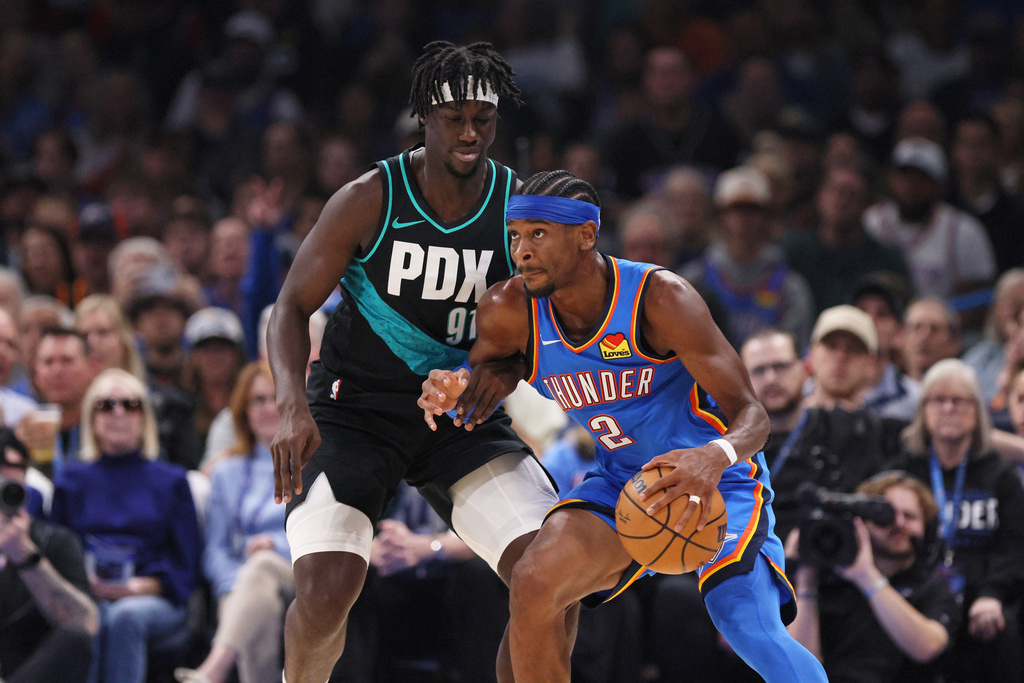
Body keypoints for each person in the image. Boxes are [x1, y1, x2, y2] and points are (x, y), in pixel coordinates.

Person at [418, 170, 827, 682]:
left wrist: (713, 457)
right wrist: (456, 386)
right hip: (624, 483)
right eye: (516, 234)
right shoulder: (509, 308)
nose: (522, 251)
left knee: (748, 627)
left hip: (717, 479)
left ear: (586, 235)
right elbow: (494, 372)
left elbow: (754, 416)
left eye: (539, 234)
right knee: (535, 581)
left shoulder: (659, 298)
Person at [266, 42, 559, 683]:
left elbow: (547, 335)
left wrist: (500, 374)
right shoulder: (370, 196)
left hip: (459, 419)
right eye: (454, 116)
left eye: (482, 117)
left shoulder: (519, 210)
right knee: (324, 591)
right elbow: (288, 307)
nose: (470, 131)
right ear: (423, 116)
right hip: (353, 414)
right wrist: (290, 407)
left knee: (551, 575)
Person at [50, 368, 202, 683]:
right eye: (106, 405)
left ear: (144, 417)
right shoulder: (70, 481)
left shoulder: (172, 481)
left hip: (155, 598)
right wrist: (85, 586)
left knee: (124, 615)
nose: (118, 412)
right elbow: (58, 556)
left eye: (129, 404)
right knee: (92, 615)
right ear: (91, 418)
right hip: (87, 591)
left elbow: (187, 566)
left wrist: (145, 587)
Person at [894, 359, 1024, 681]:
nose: (949, 408)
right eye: (938, 400)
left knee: (1001, 630)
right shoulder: (902, 472)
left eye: (960, 400)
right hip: (917, 595)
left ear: (978, 411)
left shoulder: (1001, 477)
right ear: (923, 410)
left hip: (982, 600)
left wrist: (992, 594)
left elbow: (1014, 548)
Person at [174, 361, 292, 683]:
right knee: (258, 602)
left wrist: (275, 545)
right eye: (258, 400)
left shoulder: (312, 464)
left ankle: (212, 671)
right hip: (244, 578)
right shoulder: (226, 472)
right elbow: (215, 550)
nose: (268, 408)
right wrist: (234, 586)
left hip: (297, 569)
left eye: (275, 398)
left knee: (263, 565)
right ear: (244, 411)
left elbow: (319, 535)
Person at [787, 470, 960, 682]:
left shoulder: (931, 587)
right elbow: (796, 672)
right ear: (862, 522)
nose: (899, 523)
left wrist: (866, 576)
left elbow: (927, 647)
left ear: (926, 527)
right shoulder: (828, 580)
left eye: (910, 516)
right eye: (885, 514)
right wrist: (805, 582)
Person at [0, 426, 98, 683]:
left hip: (28, 673)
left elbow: (85, 625)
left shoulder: (54, 542)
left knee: (74, 638)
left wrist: (24, 555)